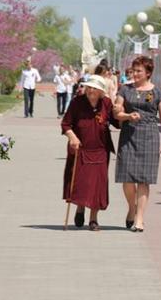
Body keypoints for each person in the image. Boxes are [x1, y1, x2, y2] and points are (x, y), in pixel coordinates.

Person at [114, 56, 161, 232]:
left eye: (139, 71)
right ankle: (132, 207)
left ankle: (139, 218)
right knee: (127, 179)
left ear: (148, 73)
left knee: (144, 179)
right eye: (134, 70)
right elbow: (117, 111)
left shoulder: (158, 93)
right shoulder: (125, 90)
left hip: (149, 137)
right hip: (128, 136)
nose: (135, 73)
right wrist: (126, 116)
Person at [61, 75, 119, 231]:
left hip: (100, 150)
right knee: (82, 183)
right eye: (89, 87)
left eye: (95, 88)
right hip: (81, 149)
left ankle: (93, 219)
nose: (91, 90)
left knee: (97, 186)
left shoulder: (106, 103)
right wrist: (72, 137)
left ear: (101, 91)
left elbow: (117, 122)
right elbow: (66, 124)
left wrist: (121, 112)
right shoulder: (77, 103)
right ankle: (80, 207)